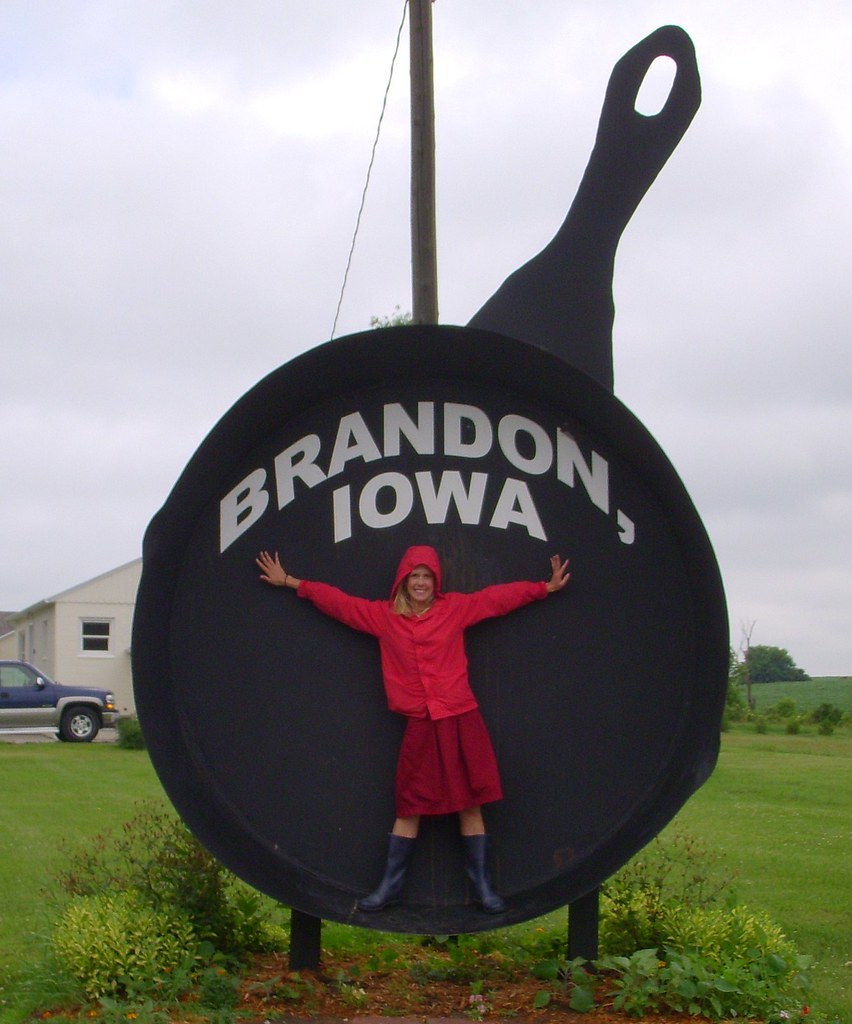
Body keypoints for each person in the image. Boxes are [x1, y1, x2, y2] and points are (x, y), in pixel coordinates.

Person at [256, 544, 570, 914]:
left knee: (470, 803)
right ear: (403, 581)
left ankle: (483, 889)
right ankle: (389, 889)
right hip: (421, 724)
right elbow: (340, 604)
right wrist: (291, 582)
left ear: (435, 582)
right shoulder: (384, 617)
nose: (420, 582)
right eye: (414, 576)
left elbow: (496, 599)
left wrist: (543, 588)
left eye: (426, 576)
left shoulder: (454, 609)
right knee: (410, 805)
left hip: (459, 718)